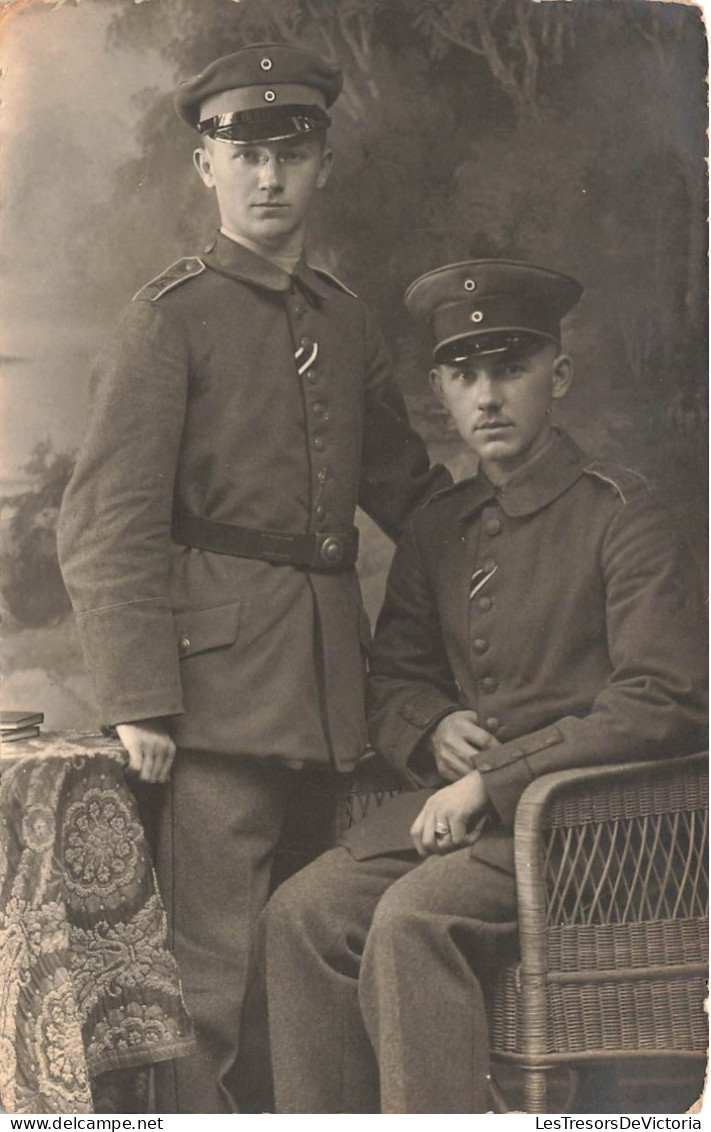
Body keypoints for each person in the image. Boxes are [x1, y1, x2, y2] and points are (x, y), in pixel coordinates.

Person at [56, 43, 449, 1114]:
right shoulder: (167, 318)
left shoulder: (346, 318)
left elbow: (409, 498)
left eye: (293, 151)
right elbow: (106, 522)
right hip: (215, 701)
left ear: (323, 164)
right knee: (209, 979)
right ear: (205, 168)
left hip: (331, 697)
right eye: (245, 154)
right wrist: (140, 695)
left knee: (304, 971)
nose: (269, 178)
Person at [257, 259, 708, 1113]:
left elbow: (664, 698)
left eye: (510, 368)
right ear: (439, 390)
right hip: (468, 828)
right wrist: (429, 729)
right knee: (301, 916)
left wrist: (489, 781)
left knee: (411, 922)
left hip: (592, 831)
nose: (488, 396)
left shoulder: (622, 514)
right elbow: (392, 676)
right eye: (464, 375)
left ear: (558, 375)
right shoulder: (439, 529)